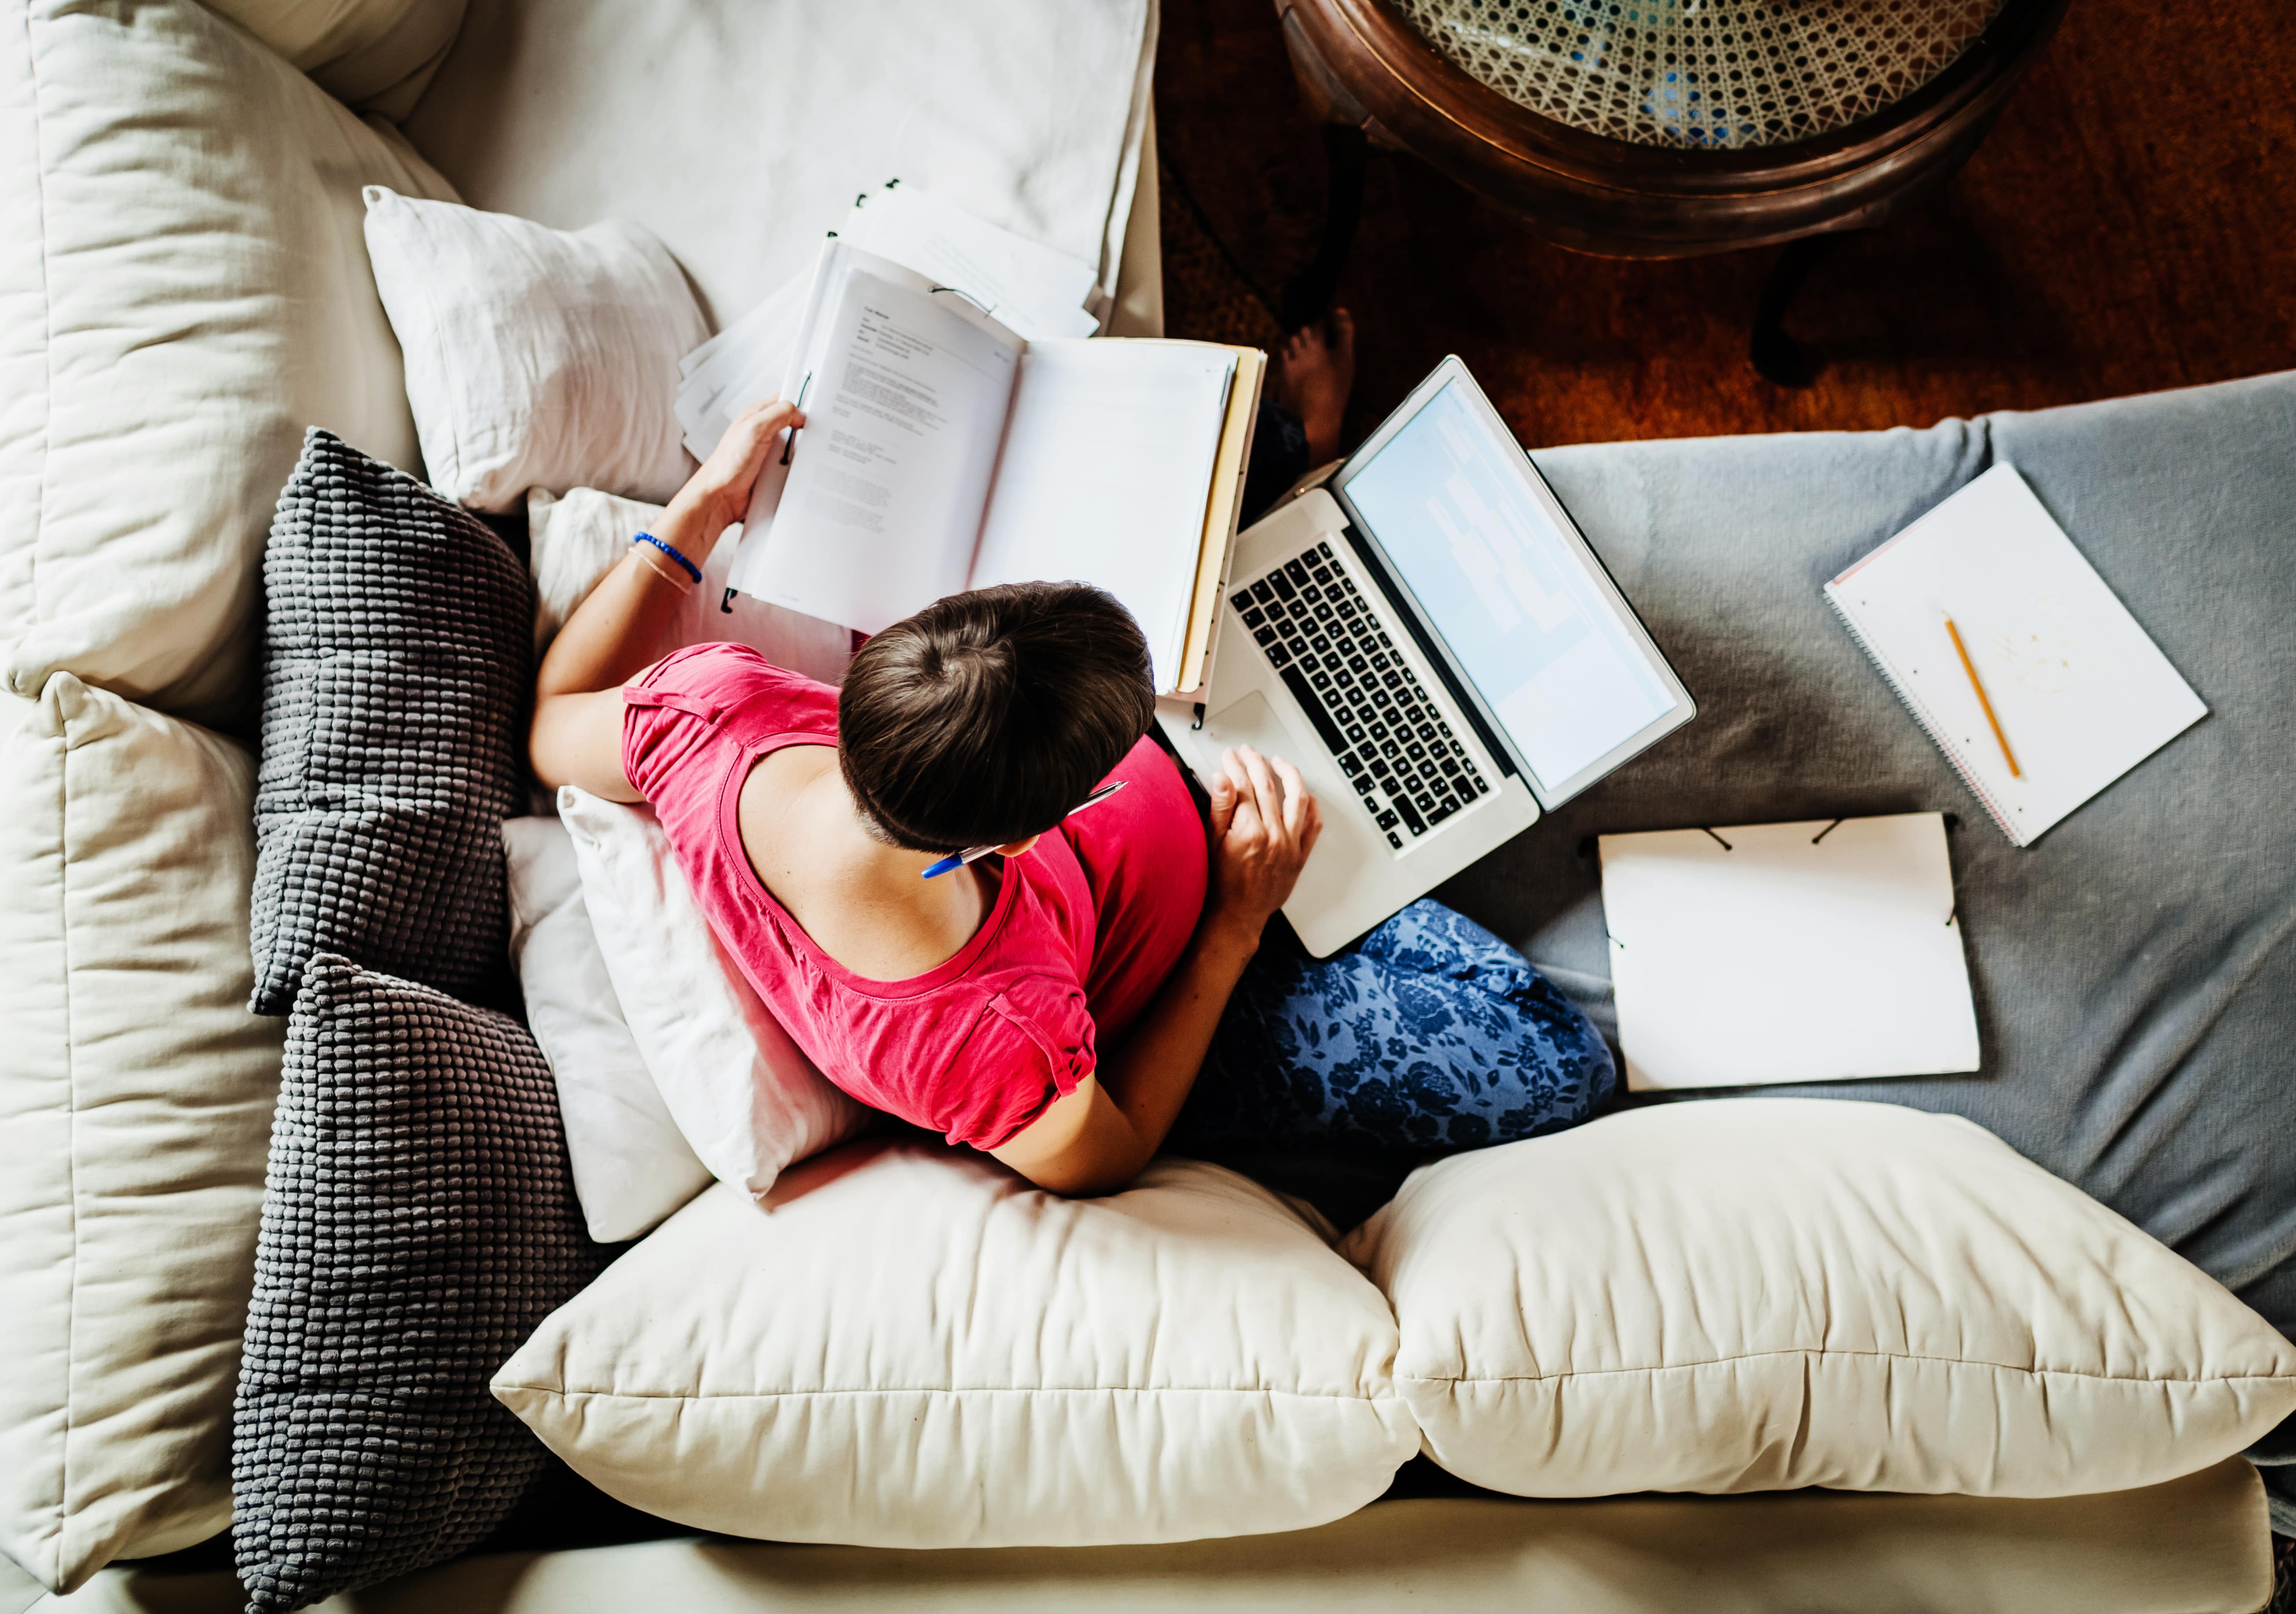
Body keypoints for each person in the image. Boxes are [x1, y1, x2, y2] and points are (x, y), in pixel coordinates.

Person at [528, 312, 1615, 1197]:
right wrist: (1236, 919)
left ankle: (1302, 457)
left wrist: (699, 511)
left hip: (1153, 769)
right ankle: (1303, 465)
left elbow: (553, 715)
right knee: (1552, 1069)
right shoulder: (983, 1036)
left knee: (1220, 446)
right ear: (1017, 836)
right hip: (1212, 959)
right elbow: (1114, 1149)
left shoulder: (708, 708)